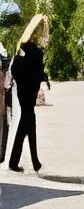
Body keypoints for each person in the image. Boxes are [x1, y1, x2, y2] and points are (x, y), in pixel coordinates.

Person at [7, 15, 50, 173]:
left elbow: (16, 71)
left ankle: (33, 161)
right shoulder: (36, 53)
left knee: (29, 125)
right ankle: (17, 162)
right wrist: (44, 79)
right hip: (29, 93)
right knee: (27, 124)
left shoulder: (22, 49)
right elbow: (38, 73)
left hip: (22, 92)